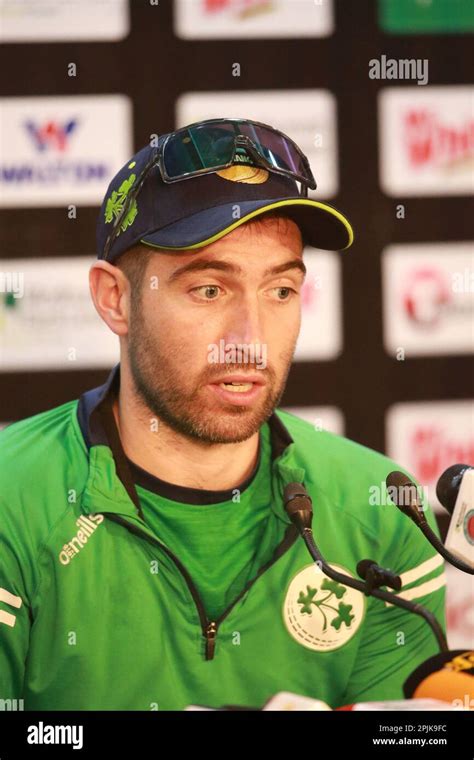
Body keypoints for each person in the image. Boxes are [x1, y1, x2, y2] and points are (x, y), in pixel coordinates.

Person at [0, 118, 446, 711]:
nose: (250, 340)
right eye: (209, 289)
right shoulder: (13, 501)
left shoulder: (383, 510)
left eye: (281, 291)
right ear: (115, 299)